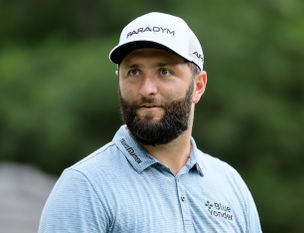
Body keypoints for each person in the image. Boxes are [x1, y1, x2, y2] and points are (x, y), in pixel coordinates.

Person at [38, 12, 262, 233]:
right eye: (134, 72)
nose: (147, 89)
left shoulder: (229, 184)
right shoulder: (85, 187)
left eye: (164, 71)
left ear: (199, 86)